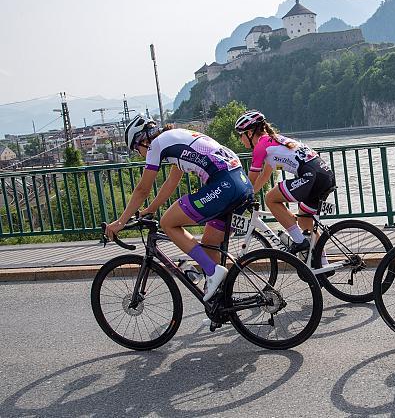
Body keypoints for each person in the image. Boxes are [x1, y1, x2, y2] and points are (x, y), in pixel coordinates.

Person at [105, 115, 253, 301]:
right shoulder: (176, 138)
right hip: (241, 184)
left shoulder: (156, 145)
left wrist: (120, 222)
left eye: (136, 149)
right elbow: (171, 183)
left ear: (142, 140)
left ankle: (212, 271)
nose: (139, 154)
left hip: (223, 186)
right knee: (210, 246)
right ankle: (222, 306)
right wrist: (149, 210)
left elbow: (143, 189)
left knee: (168, 223)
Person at [235, 110, 336, 257]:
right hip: (324, 175)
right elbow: (264, 175)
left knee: (270, 198)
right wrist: (251, 194)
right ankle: (323, 266)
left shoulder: (260, 147)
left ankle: (299, 241)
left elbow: (251, 180)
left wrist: (239, 199)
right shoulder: (273, 140)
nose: (240, 139)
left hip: (312, 177)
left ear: (250, 133)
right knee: (305, 222)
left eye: (241, 135)